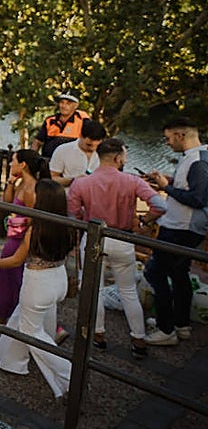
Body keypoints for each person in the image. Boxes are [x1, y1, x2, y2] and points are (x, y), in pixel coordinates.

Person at [68, 138, 164, 358]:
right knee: (128, 291)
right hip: (123, 239)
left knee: (95, 290)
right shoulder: (131, 181)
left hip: (93, 238)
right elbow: (160, 205)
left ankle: (99, 336)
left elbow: (72, 216)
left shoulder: (82, 183)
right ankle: (138, 340)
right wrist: (144, 222)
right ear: (118, 158)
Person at [0, 180, 77, 400]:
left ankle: (71, 375)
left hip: (38, 283)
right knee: (30, 318)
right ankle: (11, 359)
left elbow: (16, 260)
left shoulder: (35, 229)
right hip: (59, 278)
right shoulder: (69, 225)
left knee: (32, 333)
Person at [143, 117, 208, 346]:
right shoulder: (196, 157)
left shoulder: (197, 161)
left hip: (181, 227)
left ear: (181, 135)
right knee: (179, 273)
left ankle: (165, 328)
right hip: (186, 227)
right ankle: (181, 324)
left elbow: (199, 198)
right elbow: (191, 187)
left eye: (168, 138)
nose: (167, 143)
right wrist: (168, 181)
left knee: (154, 273)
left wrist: (165, 187)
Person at [0, 150, 49, 325]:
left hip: (21, 240)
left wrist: (18, 222)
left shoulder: (32, 190)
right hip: (14, 238)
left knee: (14, 280)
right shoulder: (21, 184)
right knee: (8, 280)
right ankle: (3, 316)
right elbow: (7, 203)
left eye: (13, 161)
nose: (10, 164)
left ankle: (8, 317)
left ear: (23, 165)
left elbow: (35, 219)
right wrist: (11, 182)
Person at [32, 91, 91, 158]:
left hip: (71, 162)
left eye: (68, 103)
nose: (64, 106)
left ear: (75, 106)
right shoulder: (50, 120)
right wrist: (32, 159)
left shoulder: (82, 120)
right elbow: (37, 141)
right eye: (62, 102)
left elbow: (91, 142)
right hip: (48, 161)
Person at [49, 120, 106, 186]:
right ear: (81, 136)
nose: (93, 148)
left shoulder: (105, 152)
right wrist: (73, 180)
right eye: (88, 145)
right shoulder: (63, 150)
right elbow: (52, 178)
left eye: (97, 145)